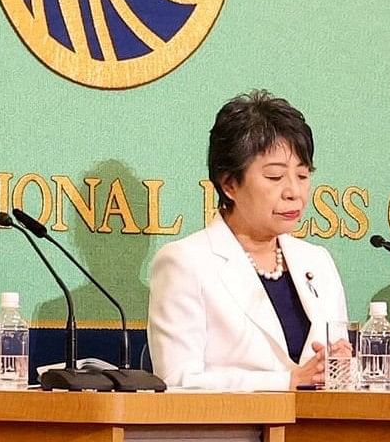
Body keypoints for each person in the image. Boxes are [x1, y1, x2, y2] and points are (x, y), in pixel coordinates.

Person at [146, 92, 351, 390]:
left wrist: (342, 366)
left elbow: (329, 367)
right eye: (275, 177)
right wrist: (287, 381)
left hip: (319, 433)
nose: (294, 191)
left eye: (303, 175)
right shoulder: (185, 262)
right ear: (229, 183)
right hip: (232, 435)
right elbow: (177, 380)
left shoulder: (317, 262)